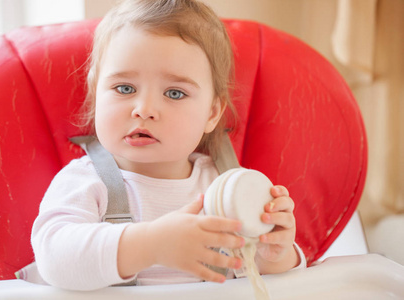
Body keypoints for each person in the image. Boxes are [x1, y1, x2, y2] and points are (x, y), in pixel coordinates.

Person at [30, 0, 305, 291]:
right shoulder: (86, 182)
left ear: (212, 113)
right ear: (97, 94)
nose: (144, 109)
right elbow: (53, 259)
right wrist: (151, 245)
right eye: (125, 88)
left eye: (174, 93)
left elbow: (257, 277)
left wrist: (275, 254)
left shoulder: (224, 186)